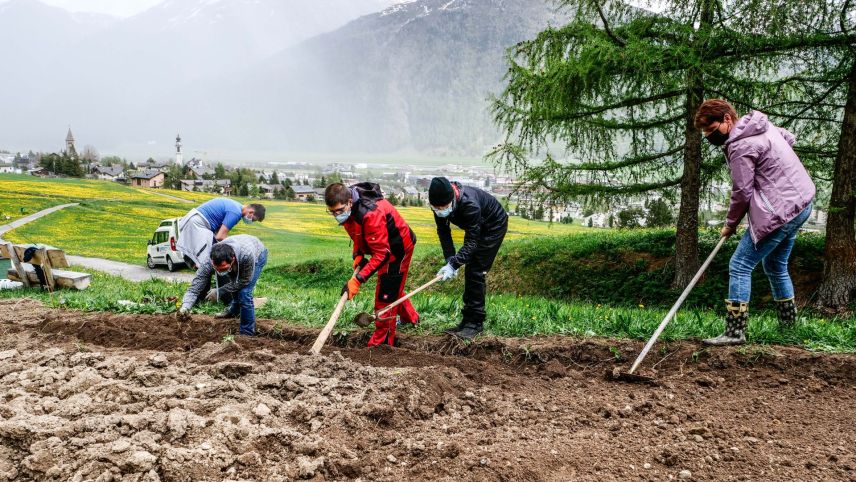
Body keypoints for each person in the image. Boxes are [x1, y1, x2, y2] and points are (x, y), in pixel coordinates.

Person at [694, 99, 815, 346]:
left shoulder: (740, 146)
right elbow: (788, 138)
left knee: (740, 264)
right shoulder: (761, 126)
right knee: (775, 265)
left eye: (711, 129)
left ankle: (735, 332)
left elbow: (741, 191)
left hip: (781, 211)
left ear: (727, 118)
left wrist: (730, 223)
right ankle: (788, 329)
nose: (708, 136)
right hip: (802, 202)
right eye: (705, 132)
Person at [325, 182, 419, 347]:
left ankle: (381, 344)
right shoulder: (349, 210)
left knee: (386, 295)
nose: (336, 215)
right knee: (391, 286)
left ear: (349, 202)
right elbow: (356, 231)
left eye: (339, 211)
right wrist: (358, 255)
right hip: (382, 247)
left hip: (398, 248)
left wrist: (358, 280)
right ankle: (411, 317)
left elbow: (382, 254)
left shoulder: (370, 214)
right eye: (332, 212)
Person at [428, 177, 508, 339]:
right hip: (477, 228)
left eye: (443, 207)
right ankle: (466, 321)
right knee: (470, 270)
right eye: (436, 208)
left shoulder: (469, 205)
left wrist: (454, 265)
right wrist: (450, 259)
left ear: (452, 200)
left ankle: (475, 323)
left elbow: (472, 242)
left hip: (493, 226)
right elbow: (444, 233)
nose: (440, 210)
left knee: (476, 271)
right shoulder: (438, 207)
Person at [177, 234, 268, 336]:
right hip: (239, 252)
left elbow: (244, 281)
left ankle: (247, 333)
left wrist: (219, 291)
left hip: (257, 253)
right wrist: (185, 307)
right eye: (217, 269)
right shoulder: (208, 262)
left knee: (244, 292)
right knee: (233, 283)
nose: (220, 272)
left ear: (232, 259)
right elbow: (195, 287)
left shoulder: (246, 255)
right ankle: (233, 311)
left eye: (223, 268)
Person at [176, 198, 265, 270]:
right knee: (205, 263)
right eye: (253, 219)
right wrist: (234, 250)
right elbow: (220, 236)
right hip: (198, 224)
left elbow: (219, 233)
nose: (251, 221)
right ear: (251, 212)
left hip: (197, 221)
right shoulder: (235, 212)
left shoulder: (236, 207)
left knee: (210, 257)